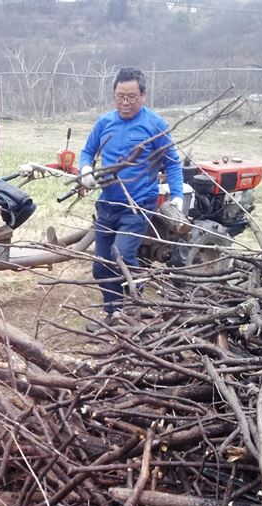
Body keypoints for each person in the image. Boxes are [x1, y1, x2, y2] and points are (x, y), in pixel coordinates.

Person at [79, 66, 184, 325]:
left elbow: (172, 163)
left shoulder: (155, 125)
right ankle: (113, 315)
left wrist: (177, 195)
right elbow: (87, 152)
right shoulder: (105, 122)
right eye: (119, 97)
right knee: (100, 265)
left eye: (131, 97)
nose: (125, 103)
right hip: (107, 205)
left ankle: (136, 306)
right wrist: (86, 170)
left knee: (121, 255)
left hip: (138, 206)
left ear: (143, 95)